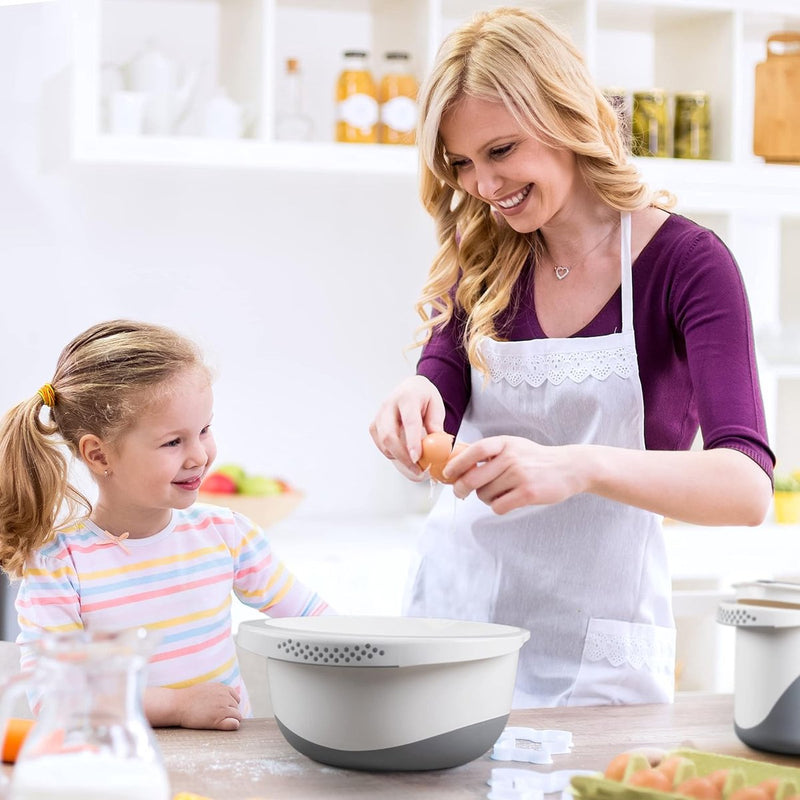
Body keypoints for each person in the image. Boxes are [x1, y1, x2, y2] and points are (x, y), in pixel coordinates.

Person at [370, 7, 774, 708]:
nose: (484, 187)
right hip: (456, 636)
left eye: (501, 151)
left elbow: (746, 488)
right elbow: (440, 384)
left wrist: (577, 466)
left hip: (597, 663)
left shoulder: (686, 265)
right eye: (461, 163)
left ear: (565, 117)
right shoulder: (486, 258)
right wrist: (412, 403)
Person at [0, 319, 331, 730]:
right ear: (99, 456)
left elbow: (316, 621)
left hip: (225, 775)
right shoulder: (59, 564)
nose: (199, 456)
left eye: (205, 430)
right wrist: (174, 706)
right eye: (173, 442)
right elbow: (54, 697)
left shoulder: (226, 535)